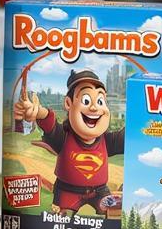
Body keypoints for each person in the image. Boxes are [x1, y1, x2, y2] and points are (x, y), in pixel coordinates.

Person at [14, 68, 123, 216]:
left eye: (100, 100)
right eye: (86, 100)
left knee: (113, 215)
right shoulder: (64, 136)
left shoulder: (106, 140)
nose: (94, 107)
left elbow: (126, 137)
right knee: (62, 219)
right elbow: (49, 122)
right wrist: (38, 111)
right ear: (68, 103)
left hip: (100, 191)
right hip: (68, 191)